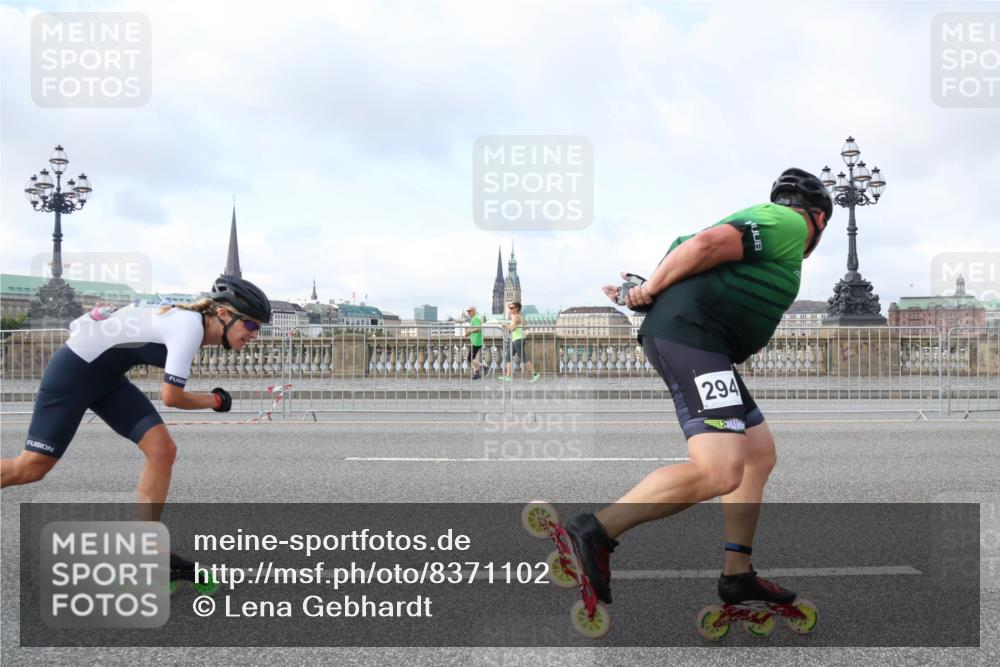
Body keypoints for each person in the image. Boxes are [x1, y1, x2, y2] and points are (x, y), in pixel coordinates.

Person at [569, 168, 832, 607]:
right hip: (693, 340)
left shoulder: (771, 244)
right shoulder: (790, 223)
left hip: (702, 344)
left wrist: (642, 291)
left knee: (758, 453)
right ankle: (597, 529)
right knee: (720, 470)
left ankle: (737, 573)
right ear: (820, 219)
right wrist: (651, 287)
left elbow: (696, 257)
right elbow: (706, 244)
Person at [1, 275, 270, 528]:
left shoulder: (189, 321)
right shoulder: (189, 327)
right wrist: (214, 400)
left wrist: (96, 318)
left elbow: (101, 320)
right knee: (30, 468)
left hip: (108, 379)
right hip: (73, 373)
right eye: (250, 325)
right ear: (223, 314)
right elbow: (171, 397)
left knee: (162, 451)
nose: (254, 334)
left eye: (258, 328)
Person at [498, 301, 540, 383]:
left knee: (524, 359)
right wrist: (517, 326)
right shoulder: (520, 316)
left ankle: (535, 374)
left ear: (516, 308)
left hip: (518, 340)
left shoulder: (516, 317)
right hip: (517, 339)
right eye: (510, 308)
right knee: (508, 357)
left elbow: (511, 328)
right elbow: (526, 327)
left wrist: (504, 324)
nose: (510, 309)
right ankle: (508, 376)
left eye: (512, 308)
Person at [465, 305, 484, 379]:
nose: (468, 312)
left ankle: (483, 366)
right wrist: (468, 333)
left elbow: (479, 329)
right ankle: (477, 373)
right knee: (472, 358)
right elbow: (474, 329)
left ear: (474, 311)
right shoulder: (474, 318)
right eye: (467, 311)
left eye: (470, 311)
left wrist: (470, 331)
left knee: (470, 358)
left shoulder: (475, 318)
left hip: (476, 341)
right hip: (475, 340)